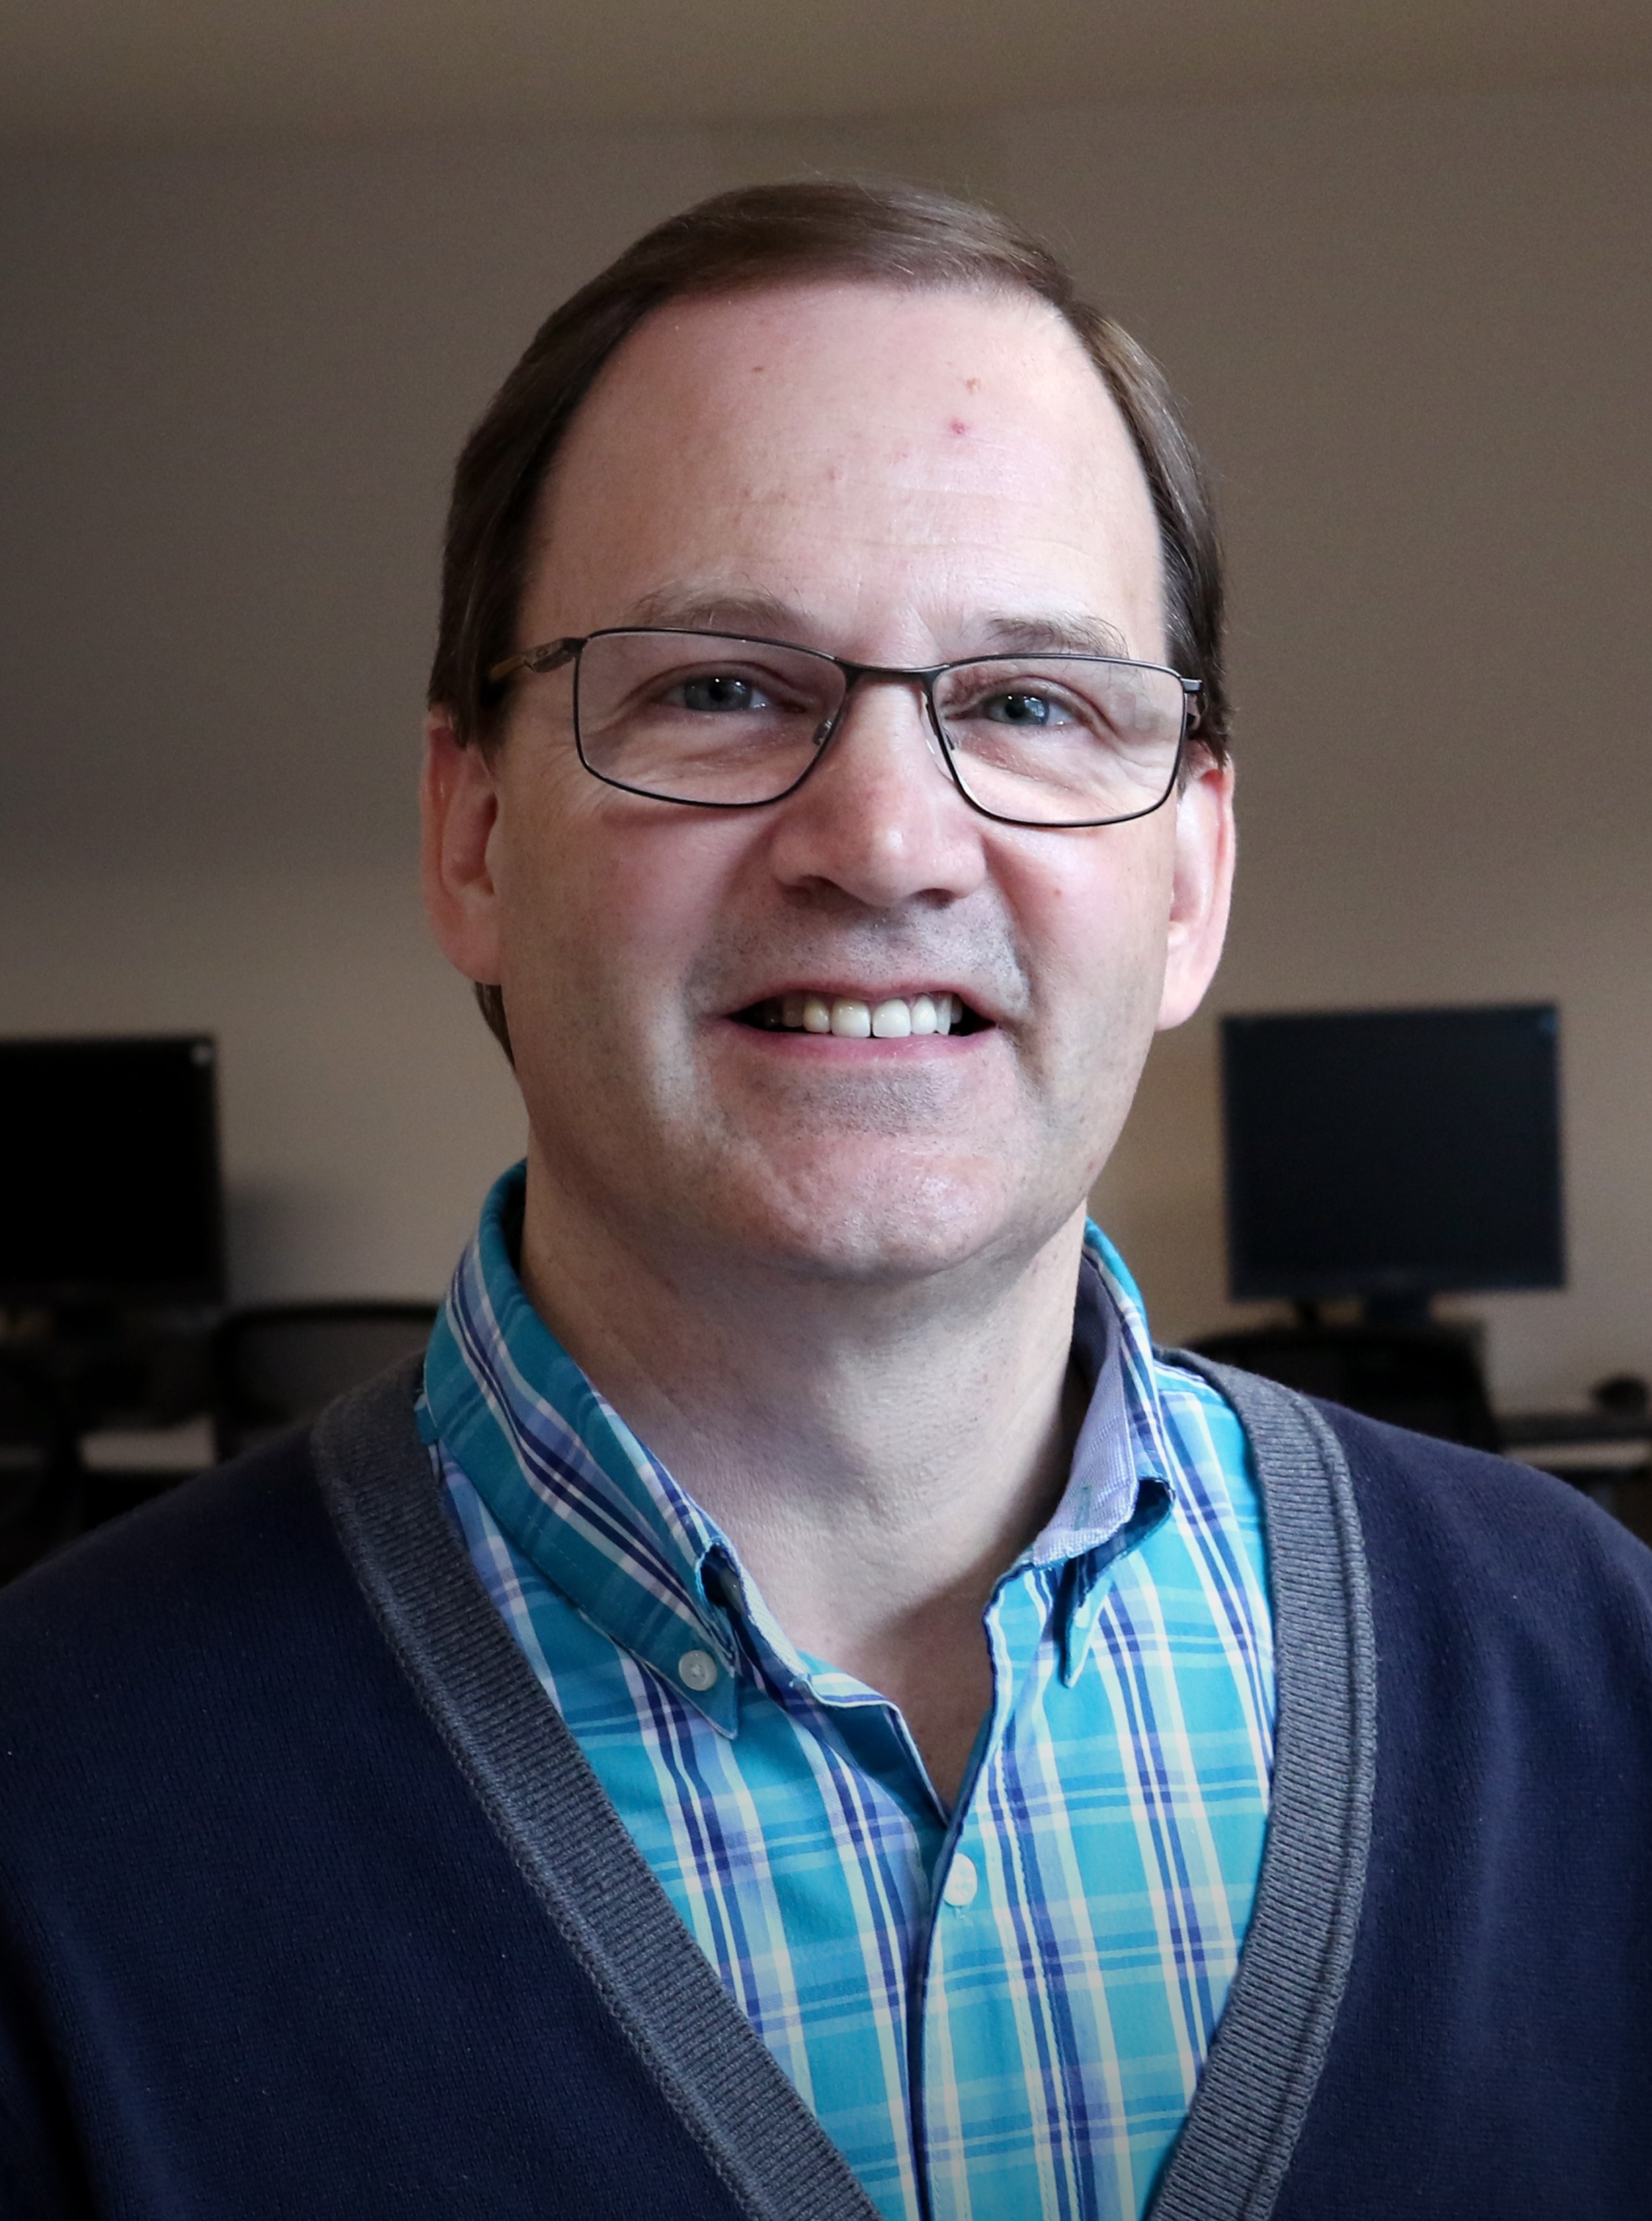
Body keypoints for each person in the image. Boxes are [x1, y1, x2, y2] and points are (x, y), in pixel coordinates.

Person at [1, 182, 1649, 2221]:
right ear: (473, 828)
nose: (883, 837)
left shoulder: (1595, 1667)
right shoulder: (46, 1797)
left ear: (1191, 877)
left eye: (1032, 704)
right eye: (717, 685)